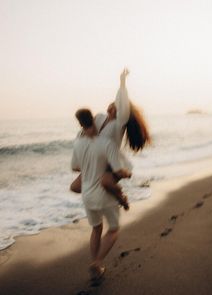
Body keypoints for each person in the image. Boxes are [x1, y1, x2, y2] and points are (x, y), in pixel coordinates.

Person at [70, 69, 151, 204]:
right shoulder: (99, 117)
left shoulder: (119, 123)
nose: (112, 108)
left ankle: (120, 196)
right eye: (112, 104)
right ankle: (105, 196)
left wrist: (122, 82)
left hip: (112, 163)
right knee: (75, 187)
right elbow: (85, 132)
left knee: (106, 182)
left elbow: (123, 105)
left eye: (116, 107)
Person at [71, 108, 131, 281]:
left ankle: (96, 265)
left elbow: (76, 167)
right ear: (95, 120)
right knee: (113, 230)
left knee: (96, 229)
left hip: (87, 196)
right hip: (103, 194)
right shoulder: (106, 144)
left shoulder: (79, 143)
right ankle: (97, 262)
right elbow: (118, 171)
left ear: (81, 124)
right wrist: (128, 173)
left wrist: (89, 166)